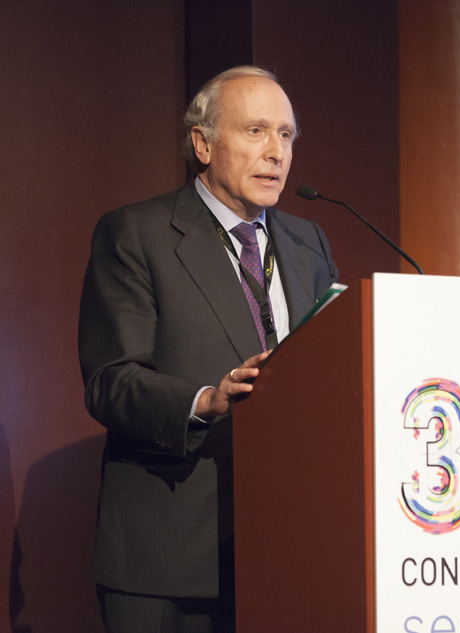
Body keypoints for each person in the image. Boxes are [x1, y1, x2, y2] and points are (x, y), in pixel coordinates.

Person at [78, 66, 338, 632]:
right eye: (255, 131)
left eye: (286, 135)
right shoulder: (136, 233)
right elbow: (110, 380)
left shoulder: (308, 242)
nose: (276, 152)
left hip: (288, 548)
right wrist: (204, 401)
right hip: (169, 552)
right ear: (203, 144)